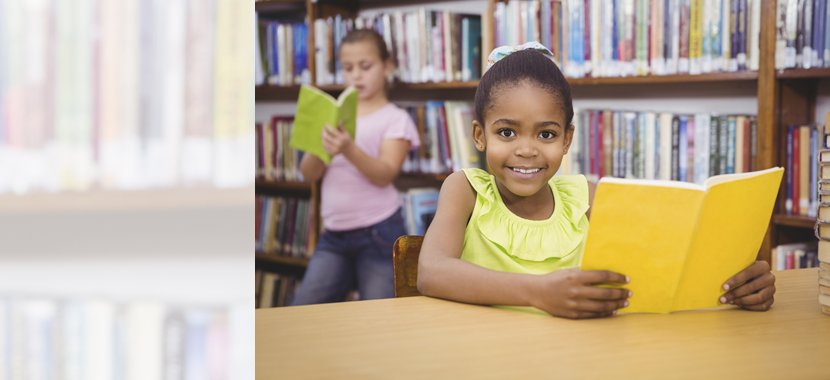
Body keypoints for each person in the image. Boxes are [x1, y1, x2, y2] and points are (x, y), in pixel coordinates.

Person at [415, 42, 775, 319]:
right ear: (479, 135)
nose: (527, 151)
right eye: (507, 132)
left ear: (567, 139)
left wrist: (736, 281)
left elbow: (658, 266)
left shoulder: (586, 196)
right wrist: (537, 292)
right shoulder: (465, 189)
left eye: (546, 135)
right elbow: (431, 272)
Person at [292, 29, 420, 305]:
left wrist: (347, 148)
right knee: (303, 310)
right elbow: (309, 174)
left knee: (379, 315)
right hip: (334, 234)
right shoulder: (332, 117)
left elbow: (385, 174)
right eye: (348, 68)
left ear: (387, 67)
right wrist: (321, 149)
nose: (356, 76)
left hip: (379, 232)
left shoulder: (394, 119)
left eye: (366, 66)